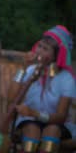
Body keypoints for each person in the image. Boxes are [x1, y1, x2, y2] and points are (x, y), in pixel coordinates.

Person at [9, 25, 75, 153]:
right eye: (39, 46)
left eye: (45, 49)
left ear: (57, 55)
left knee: (52, 131)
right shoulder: (30, 70)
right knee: (32, 130)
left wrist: (35, 113)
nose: (39, 51)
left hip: (57, 124)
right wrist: (23, 67)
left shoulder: (66, 79)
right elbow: (11, 97)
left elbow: (61, 116)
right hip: (29, 120)